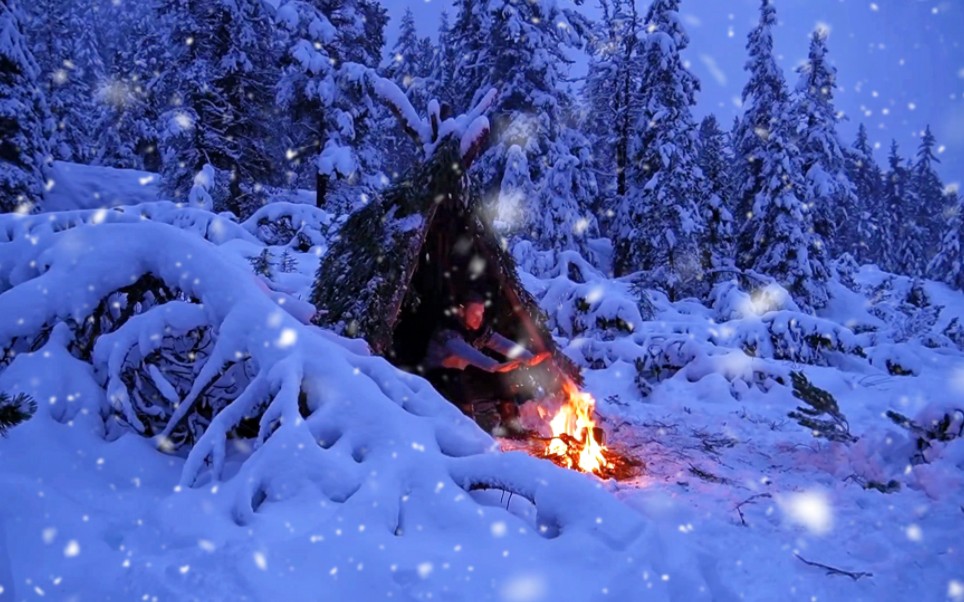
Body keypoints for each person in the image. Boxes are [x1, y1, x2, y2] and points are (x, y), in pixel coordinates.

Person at [423, 292, 548, 435]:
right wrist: (493, 366)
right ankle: (466, 431)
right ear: (462, 311)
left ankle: (509, 423)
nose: (479, 318)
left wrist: (528, 358)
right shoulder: (448, 331)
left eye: (481, 313)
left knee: (500, 380)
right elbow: (466, 352)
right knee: (460, 386)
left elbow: (499, 342)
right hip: (438, 377)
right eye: (475, 313)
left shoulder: (477, 330)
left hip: (462, 373)